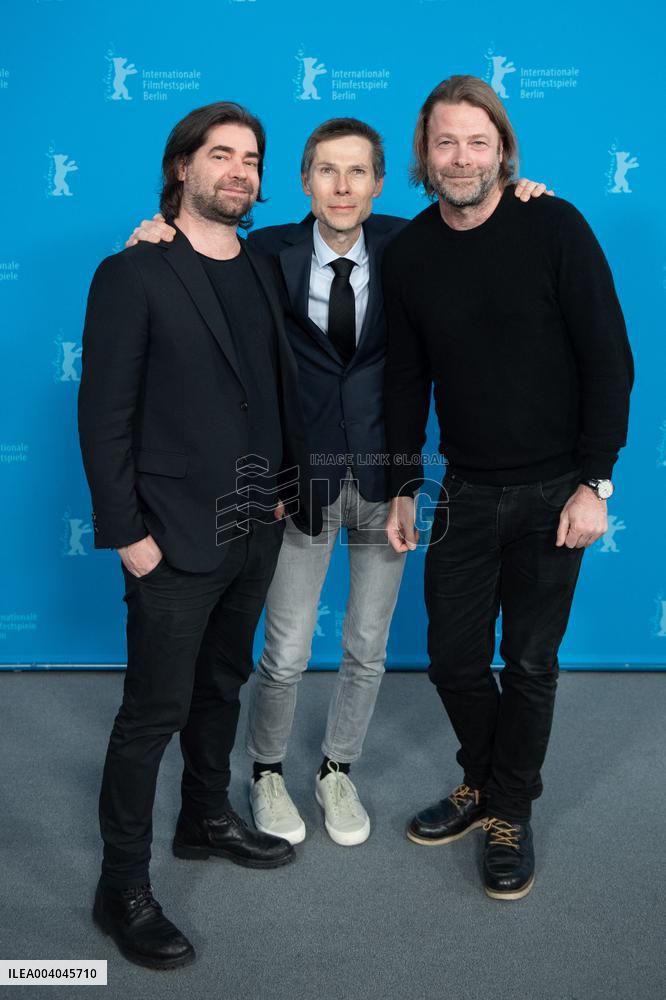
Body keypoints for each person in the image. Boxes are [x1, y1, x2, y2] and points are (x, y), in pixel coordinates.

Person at [126, 118, 549, 849]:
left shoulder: (412, 245)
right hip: (300, 484)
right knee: (285, 648)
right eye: (327, 170)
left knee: (367, 644)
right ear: (303, 181)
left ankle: (336, 768)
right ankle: (264, 773)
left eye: (358, 172)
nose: (343, 186)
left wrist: (522, 193)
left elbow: (480, 219)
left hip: (386, 486)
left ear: (380, 183)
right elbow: (198, 249)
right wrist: (155, 231)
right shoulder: (265, 253)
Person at [78, 101, 321, 970]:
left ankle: (204, 820)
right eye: (221, 156)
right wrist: (126, 536)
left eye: (252, 159)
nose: (240, 172)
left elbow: (371, 225)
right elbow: (103, 417)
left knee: (223, 685)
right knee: (152, 714)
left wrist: (514, 190)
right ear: (183, 167)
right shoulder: (133, 272)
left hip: (256, 524)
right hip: (170, 539)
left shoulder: (259, 260)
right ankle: (123, 888)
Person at [383, 76, 633, 900]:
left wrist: (596, 483)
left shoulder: (553, 223)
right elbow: (406, 379)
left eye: (477, 141)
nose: (462, 157)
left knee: (528, 662)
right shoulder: (412, 252)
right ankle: (488, 781)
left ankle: (507, 812)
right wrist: (398, 487)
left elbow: (609, 359)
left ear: (503, 150)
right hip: (463, 490)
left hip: (556, 491)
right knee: (454, 660)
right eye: (446, 142)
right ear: (425, 153)